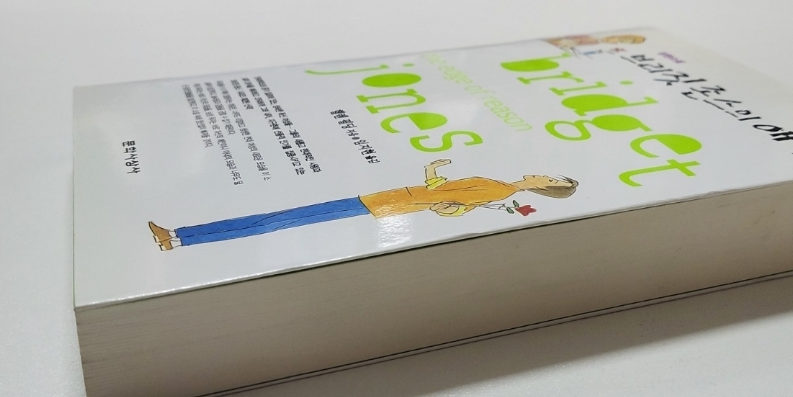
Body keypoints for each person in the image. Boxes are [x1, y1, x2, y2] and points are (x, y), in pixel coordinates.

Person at [147, 159, 578, 250]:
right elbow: (445, 192)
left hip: (387, 207)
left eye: (552, 181)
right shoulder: (498, 184)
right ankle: (177, 238)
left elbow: (451, 205)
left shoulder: (501, 193)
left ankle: (180, 238)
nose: (545, 175)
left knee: (275, 222)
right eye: (552, 173)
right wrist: (433, 170)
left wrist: (442, 202)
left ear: (545, 189)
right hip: (388, 198)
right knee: (275, 219)